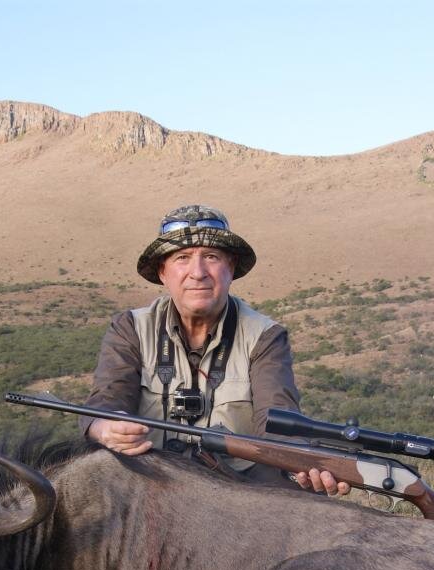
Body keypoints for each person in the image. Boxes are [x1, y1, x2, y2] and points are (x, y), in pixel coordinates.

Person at [81, 205, 348, 495]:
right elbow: (105, 404)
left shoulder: (264, 335)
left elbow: (278, 419)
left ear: (230, 268)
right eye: (182, 258)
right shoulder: (130, 328)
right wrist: (103, 428)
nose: (198, 273)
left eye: (211, 257)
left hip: (238, 493)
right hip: (149, 490)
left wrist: (303, 461)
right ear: (163, 272)